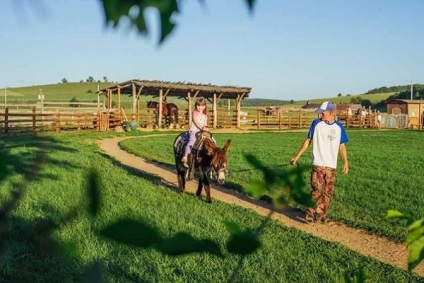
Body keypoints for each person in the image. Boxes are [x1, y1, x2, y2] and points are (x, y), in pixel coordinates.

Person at [290, 101, 349, 224]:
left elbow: (342, 146)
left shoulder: (339, 127)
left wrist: (345, 162)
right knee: (317, 190)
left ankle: (321, 215)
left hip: (331, 166)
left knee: (328, 192)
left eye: (323, 113)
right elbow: (308, 141)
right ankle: (310, 213)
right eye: (320, 113)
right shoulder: (316, 124)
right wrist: (297, 156)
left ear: (331, 113)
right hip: (318, 163)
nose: (320, 116)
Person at [181, 97, 208, 166]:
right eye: (198, 105)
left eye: (202, 105)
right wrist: (202, 128)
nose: (200, 107)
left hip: (202, 132)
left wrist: (205, 127)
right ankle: (185, 156)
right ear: (196, 105)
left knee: (211, 140)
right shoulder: (194, 113)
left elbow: (205, 124)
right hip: (194, 131)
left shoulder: (205, 116)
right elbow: (196, 122)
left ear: (204, 106)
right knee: (192, 141)